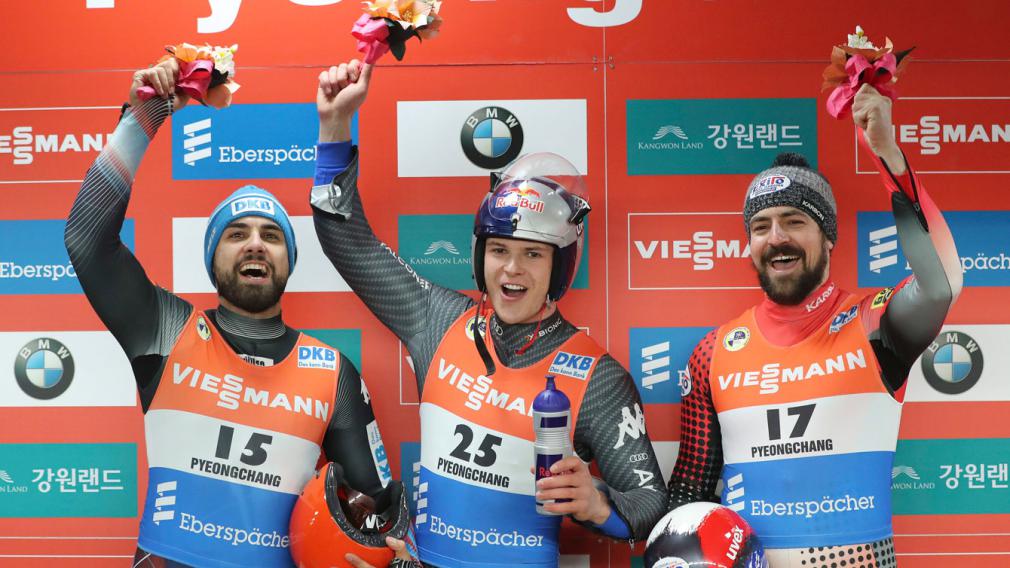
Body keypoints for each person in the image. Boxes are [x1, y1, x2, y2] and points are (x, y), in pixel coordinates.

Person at [309, 60, 667, 567]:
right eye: (499, 249)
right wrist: (335, 128)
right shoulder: (436, 319)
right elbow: (348, 241)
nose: (512, 269)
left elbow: (651, 508)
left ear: (560, 266)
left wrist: (597, 504)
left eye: (534, 253)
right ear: (480, 257)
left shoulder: (598, 377)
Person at [65, 57, 399, 568]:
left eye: (271, 236)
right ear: (212, 258)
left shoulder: (332, 372)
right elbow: (87, 241)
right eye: (236, 234)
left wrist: (389, 556)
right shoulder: (168, 329)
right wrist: (143, 117)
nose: (255, 245)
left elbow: (374, 510)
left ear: (288, 259)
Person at [665, 83, 963, 567]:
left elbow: (941, 284)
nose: (776, 237)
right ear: (749, 245)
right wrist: (606, 513)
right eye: (760, 227)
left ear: (828, 238)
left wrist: (887, 154)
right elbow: (688, 499)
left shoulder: (874, 324)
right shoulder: (712, 352)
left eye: (794, 221)